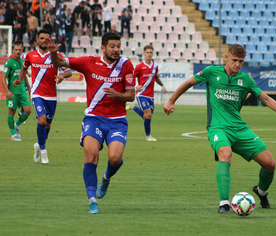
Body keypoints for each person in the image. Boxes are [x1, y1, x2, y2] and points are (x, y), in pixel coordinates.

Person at [163, 44, 276, 214]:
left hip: (239, 128)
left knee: (270, 164)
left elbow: (266, 99)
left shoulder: (246, 80)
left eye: (241, 61)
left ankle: (261, 192)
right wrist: (171, 100)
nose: (237, 64)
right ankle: (224, 204)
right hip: (218, 128)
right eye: (235, 60)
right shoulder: (211, 72)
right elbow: (188, 83)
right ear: (226, 58)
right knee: (225, 153)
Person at [45, 32, 136, 214]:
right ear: (103, 47)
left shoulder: (126, 65)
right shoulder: (89, 62)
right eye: (112, 46)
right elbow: (60, 64)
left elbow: (131, 95)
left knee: (115, 158)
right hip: (93, 118)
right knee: (91, 155)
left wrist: (118, 95)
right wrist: (53, 53)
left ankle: (107, 177)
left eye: (118, 46)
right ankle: (92, 200)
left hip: (117, 121)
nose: (116, 49)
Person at [14, 29, 72, 164]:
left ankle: (38, 145)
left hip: (51, 96)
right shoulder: (30, 55)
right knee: (42, 120)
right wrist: (19, 80)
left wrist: (62, 75)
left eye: (47, 38)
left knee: (48, 125)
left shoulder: (56, 55)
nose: (44, 41)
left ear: (50, 40)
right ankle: (44, 151)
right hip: (37, 93)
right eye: (42, 38)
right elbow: (24, 68)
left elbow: (68, 71)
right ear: (37, 41)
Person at [127, 45, 167, 141]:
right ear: (144, 54)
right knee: (148, 114)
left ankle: (132, 107)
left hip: (151, 95)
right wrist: (136, 85)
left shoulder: (155, 66)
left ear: (153, 54)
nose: (149, 54)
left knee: (147, 116)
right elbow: (131, 77)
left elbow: (156, 77)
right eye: (147, 52)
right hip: (141, 94)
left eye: (150, 52)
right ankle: (148, 136)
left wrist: (162, 85)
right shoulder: (139, 66)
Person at [1, 41, 31, 141]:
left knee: (28, 110)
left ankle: (16, 125)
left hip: (22, 91)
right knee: (11, 112)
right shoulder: (9, 63)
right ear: (13, 51)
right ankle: (13, 135)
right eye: (16, 50)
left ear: (22, 50)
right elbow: (3, 78)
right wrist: (7, 91)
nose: (18, 51)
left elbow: (24, 76)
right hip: (12, 92)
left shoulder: (23, 62)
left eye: (19, 50)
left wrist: (29, 88)